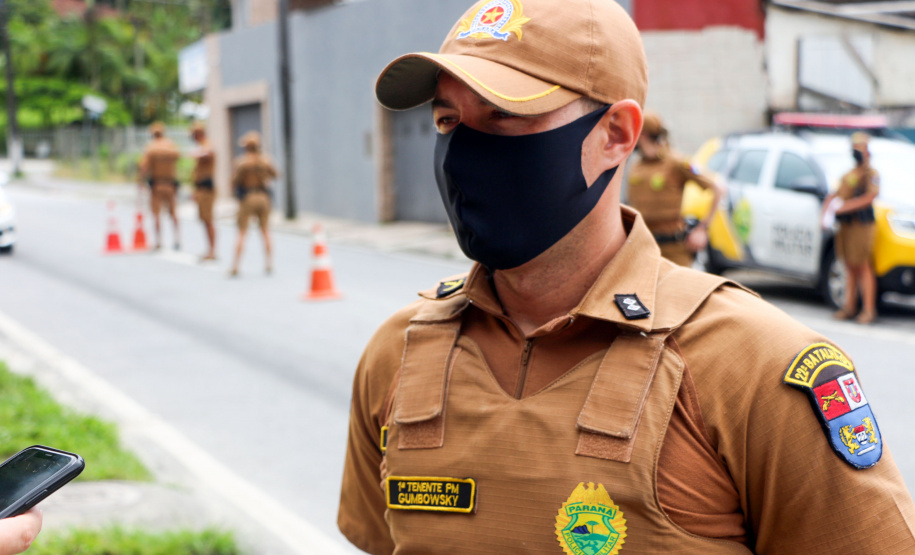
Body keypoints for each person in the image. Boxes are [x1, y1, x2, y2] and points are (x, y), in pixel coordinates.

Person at [338, 0, 915, 553]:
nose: (462, 151)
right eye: (447, 120)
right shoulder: (399, 355)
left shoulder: (752, 368)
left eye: (504, 115)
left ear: (614, 134)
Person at [626, 111, 721, 266]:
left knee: (680, 289)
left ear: (642, 134)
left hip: (673, 247)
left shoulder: (676, 161)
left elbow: (718, 188)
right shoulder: (635, 165)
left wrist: (702, 229)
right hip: (643, 246)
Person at [823, 132, 880, 325]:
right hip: (845, 224)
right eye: (855, 147)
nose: (857, 151)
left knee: (862, 265)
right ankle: (849, 306)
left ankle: (868, 310)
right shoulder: (849, 173)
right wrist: (827, 211)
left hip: (861, 225)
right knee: (849, 264)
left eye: (860, 147)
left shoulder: (870, 173)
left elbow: (870, 197)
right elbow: (836, 194)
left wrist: (846, 207)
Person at [229, 131, 277, 277]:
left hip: (248, 197)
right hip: (263, 197)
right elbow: (275, 174)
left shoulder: (241, 162)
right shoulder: (266, 160)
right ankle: (269, 263)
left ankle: (236, 266)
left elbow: (234, 181)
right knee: (265, 231)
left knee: (242, 231)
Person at [138, 122, 181, 250]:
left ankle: (158, 241)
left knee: (156, 213)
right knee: (173, 213)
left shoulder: (151, 148)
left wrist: (140, 181)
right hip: (171, 184)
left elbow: (143, 167)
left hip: (157, 185)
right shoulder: (171, 146)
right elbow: (178, 160)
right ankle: (177, 238)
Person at [189, 122, 218, 261]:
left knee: (208, 220)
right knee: (205, 221)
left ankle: (212, 251)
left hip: (207, 189)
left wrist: (197, 154)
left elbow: (207, 152)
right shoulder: (202, 146)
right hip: (201, 188)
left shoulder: (207, 145)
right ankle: (209, 250)